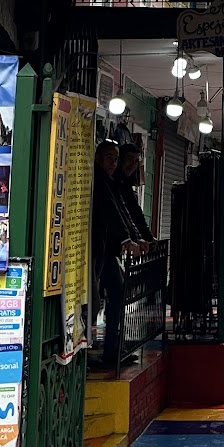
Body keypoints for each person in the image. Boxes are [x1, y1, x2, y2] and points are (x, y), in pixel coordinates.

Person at [91, 140, 141, 368]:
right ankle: (88, 351)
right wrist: (127, 239)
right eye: (109, 158)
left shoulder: (112, 181)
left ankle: (112, 349)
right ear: (98, 158)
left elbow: (124, 212)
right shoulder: (99, 180)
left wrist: (134, 237)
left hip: (106, 249)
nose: (113, 163)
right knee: (93, 301)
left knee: (117, 292)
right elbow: (111, 211)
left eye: (115, 158)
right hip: (96, 249)